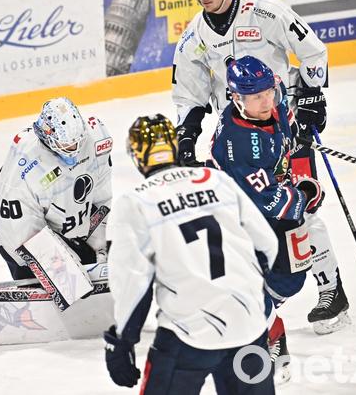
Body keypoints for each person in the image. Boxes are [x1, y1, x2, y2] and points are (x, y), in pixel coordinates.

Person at [172, 0, 349, 337]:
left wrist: (312, 98)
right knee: (245, 218)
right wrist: (186, 137)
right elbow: (188, 93)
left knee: (302, 208)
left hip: (285, 129)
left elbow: (313, 50)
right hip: (238, 139)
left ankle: (330, 290)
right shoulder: (194, 37)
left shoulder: (266, 13)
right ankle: (254, 301)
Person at [103, 113, 277, 394]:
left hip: (188, 332)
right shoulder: (216, 180)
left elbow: (131, 280)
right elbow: (266, 245)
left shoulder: (134, 202)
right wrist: (246, 296)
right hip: (248, 325)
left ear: (137, 157)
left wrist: (123, 340)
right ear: (174, 146)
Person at [0, 97, 115, 352]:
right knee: (69, 292)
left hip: (74, 230)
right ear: (47, 136)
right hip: (24, 241)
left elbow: (101, 194)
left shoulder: (96, 137)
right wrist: (66, 274)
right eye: (65, 145)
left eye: (76, 142)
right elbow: (21, 234)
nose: (73, 149)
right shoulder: (25, 164)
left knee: (97, 277)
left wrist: (97, 250)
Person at [209, 55, 327, 382]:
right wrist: (305, 193)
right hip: (237, 215)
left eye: (268, 93)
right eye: (257, 97)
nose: (266, 101)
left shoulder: (271, 100)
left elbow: (287, 108)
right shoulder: (238, 143)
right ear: (237, 98)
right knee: (248, 280)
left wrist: (309, 111)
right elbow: (270, 201)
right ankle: (269, 333)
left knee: (292, 278)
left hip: (267, 202)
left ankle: (252, 311)